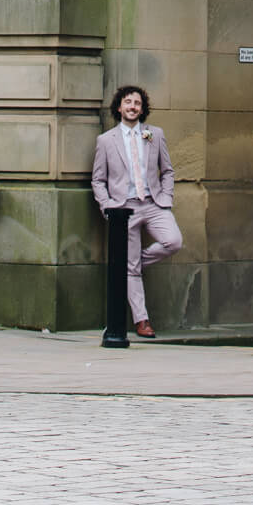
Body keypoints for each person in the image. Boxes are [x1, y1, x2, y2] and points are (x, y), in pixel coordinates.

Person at [91, 85, 182, 339]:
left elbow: (168, 170)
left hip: (153, 204)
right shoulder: (106, 140)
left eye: (137, 103)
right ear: (119, 107)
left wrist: (166, 197)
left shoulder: (155, 134)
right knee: (131, 269)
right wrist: (107, 205)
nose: (133, 107)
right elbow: (98, 179)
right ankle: (142, 320)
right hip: (123, 208)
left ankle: (132, 265)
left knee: (173, 241)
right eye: (128, 102)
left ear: (143, 109)